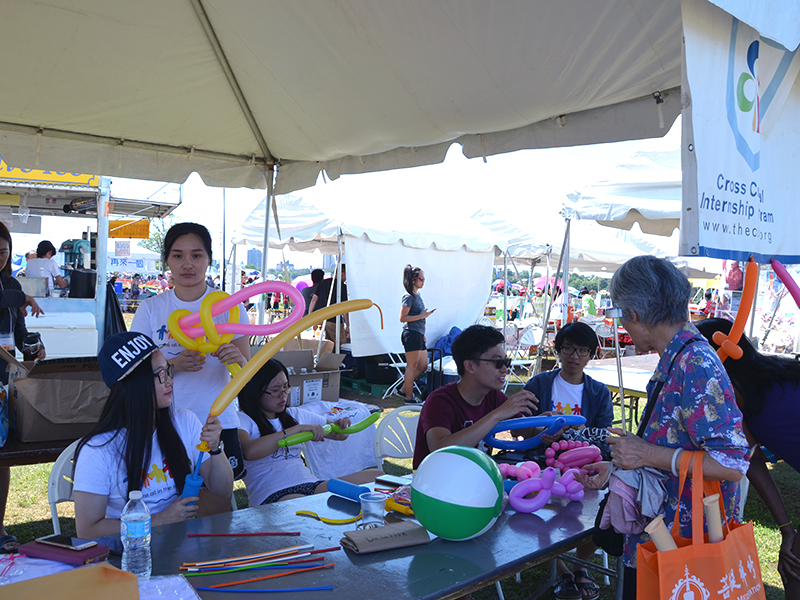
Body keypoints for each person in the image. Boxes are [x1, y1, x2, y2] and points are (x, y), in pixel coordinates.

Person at [579, 256, 749, 600]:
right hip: (662, 541)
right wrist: (619, 467)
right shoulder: (678, 356)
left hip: (683, 551)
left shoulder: (695, 363)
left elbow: (731, 465)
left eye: (622, 318)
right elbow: (678, 445)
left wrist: (646, 453)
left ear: (635, 316)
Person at [131, 222, 250, 515]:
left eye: (197, 255)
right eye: (178, 255)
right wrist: (174, 364)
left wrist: (235, 357)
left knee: (216, 503)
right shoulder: (151, 309)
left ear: (209, 259)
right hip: (165, 424)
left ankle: (212, 561)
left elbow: (246, 374)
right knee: (170, 501)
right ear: (167, 261)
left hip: (217, 421)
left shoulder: (230, 307)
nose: (188, 264)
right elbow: (136, 373)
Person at [73, 332, 233, 541]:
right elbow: (87, 530)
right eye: (160, 375)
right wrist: (159, 519)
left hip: (180, 545)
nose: (170, 382)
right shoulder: (98, 450)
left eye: (168, 371)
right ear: (135, 385)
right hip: (128, 553)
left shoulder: (185, 421)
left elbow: (223, 489)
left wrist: (215, 448)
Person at [696, 318, 800, 597]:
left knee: (795, 573)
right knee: (794, 573)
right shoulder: (740, 396)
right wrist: (786, 528)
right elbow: (750, 460)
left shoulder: (778, 386)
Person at [524, 322, 612, 599]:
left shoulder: (599, 393)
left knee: (603, 507)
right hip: (541, 460)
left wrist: (576, 439)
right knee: (537, 508)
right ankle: (562, 568)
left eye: (582, 350)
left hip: (583, 465)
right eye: (569, 349)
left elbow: (604, 436)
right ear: (558, 350)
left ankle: (579, 565)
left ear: (591, 354)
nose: (574, 356)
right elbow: (517, 428)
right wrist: (541, 432)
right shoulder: (539, 384)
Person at [237, 358, 382, 505]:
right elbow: (249, 451)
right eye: (275, 390)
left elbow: (339, 435)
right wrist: (296, 430)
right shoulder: (243, 420)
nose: (283, 395)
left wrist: (341, 426)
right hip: (272, 494)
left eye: (286, 388)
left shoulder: (294, 414)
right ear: (255, 391)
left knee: (379, 478)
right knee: (307, 506)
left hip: (311, 487)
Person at [412, 325, 538, 469]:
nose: (505, 369)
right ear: (470, 366)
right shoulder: (440, 401)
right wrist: (497, 415)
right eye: (498, 362)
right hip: (434, 485)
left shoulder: (494, 397)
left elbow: (526, 431)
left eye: (506, 362)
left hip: (475, 482)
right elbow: (441, 449)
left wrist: (548, 425)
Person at [0, 223, 45, 554]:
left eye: (3, 252)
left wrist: (33, 346)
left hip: (6, 382)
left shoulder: (11, 284)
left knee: (3, 460)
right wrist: (23, 296)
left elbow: (20, 332)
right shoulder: (13, 291)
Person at [399, 265, 436, 404]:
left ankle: (404, 389)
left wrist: (423, 331)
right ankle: (409, 398)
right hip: (411, 334)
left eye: (424, 278)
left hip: (419, 334)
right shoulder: (408, 296)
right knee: (412, 367)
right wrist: (422, 315)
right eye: (421, 278)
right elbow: (403, 317)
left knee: (423, 366)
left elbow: (418, 317)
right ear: (413, 280)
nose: (423, 281)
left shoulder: (417, 295)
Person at [308, 265, 349, 344]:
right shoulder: (342, 287)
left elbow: (314, 299)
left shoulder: (322, 283)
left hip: (319, 318)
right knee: (340, 343)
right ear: (343, 273)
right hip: (333, 321)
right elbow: (345, 308)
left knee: (323, 345)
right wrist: (347, 324)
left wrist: (310, 316)